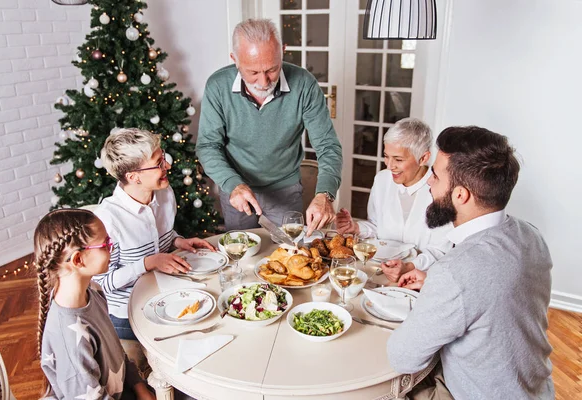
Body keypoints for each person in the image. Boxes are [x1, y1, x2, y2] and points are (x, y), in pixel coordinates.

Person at [387, 126, 554, 399]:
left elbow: (402, 358)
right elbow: (495, 291)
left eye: (436, 176)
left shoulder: (456, 272)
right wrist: (435, 284)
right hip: (534, 389)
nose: (429, 181)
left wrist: (442, 287)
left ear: (461, 195)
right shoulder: (530, 234)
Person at [197, 18, 342, 235]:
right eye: (253, 72)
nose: (264, 82)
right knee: (243, 257)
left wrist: (325, 194)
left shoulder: (304, 84)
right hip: (238, 191)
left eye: (272, 69)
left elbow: (328, 147)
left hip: (286, 189)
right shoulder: (218, 86)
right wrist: (233, 185)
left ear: (282, 52)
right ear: (234, 59)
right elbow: (208, 146)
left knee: (288, 256)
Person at [94, 128, 215, 342]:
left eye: (163, 157)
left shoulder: (165, 193)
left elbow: (160, 237)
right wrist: (148, 262)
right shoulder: (108, 219)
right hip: (128, 312)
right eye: (159, 163)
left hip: (165, 292)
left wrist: (178, 240)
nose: (167, 165)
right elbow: (101, 283)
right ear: (134, 177)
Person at [34, 209, 155, 399]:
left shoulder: (94, 290)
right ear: (78, 259)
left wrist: (139, 385)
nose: (111, 247)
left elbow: (115, 349)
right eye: (105, 244)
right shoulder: (69, 337)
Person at [335, 118, 452, 280]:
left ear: (423, 158)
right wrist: (355, 227)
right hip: (379, 270)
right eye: (386, 156)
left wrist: (411, 266)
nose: (389, 166)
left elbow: (440, 251)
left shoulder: (441, 189)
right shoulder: (382, 180)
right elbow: (376, 225)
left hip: (418, 278)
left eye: (398, 159)